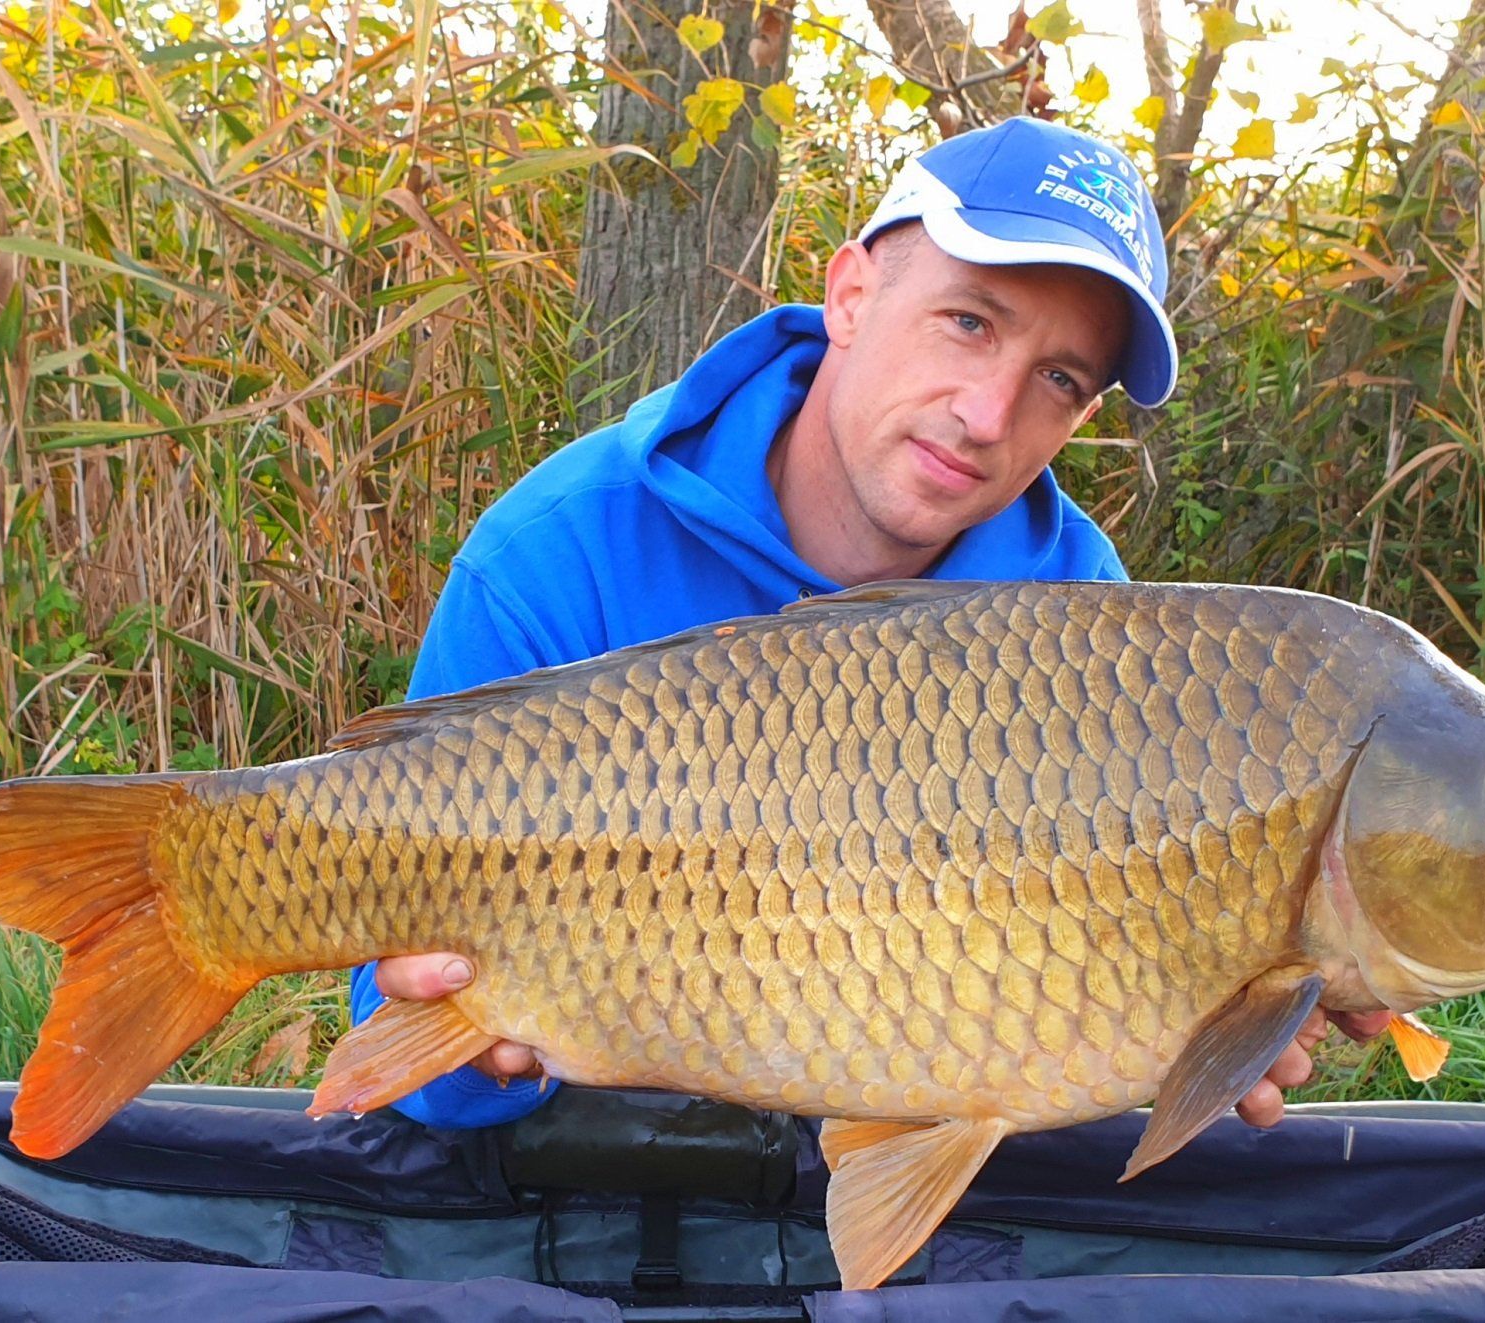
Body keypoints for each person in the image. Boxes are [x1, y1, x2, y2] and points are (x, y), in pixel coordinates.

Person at [351, 115, 1388, 1132]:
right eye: (970, 322)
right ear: (851, 293)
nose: (987, 414)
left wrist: (1210, 1025)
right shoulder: (557, 553)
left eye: (1060, 380)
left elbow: (1071, 984)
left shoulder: (1085, 623)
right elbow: (412, 1077)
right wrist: (470, 1045)